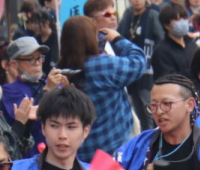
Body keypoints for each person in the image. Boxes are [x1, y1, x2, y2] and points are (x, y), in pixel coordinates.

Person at [57, 15, 146, 158]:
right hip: (114, 148)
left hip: (81, 152)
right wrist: (117, 39)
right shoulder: (101, 64)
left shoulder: (59, 71)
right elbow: (139, 62)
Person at [0, 35, 66, 149]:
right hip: (32, 154)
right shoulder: (10, 90)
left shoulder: (46, 82)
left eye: (39, 58)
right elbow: (30, 120)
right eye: (30, 59)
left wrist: (67, 90)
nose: (37, 63)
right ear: (14, 64)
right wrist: (47, 91)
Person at [119, 0, 162, 127]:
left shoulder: (152, 15)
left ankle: (154, 138)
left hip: (148, 69)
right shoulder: (127, 17)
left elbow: (160, 39)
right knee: (137, 109)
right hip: (131, 69)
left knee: (148, 108)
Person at [151, 2, 197, 81]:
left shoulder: (192, 44)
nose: (182, 22)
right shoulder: (161, 51)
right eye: (177, 20)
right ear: (166, 25)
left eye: (184, 18)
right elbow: (167, 78)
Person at [24, 9, 59, 75]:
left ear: (47, 23)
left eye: (36, 23)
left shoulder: (57, 38)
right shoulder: (34, 40)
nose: (33, 26)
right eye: (32, 23)